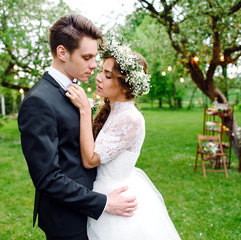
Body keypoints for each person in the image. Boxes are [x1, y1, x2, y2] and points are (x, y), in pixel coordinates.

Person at [17, 14, 138, 240]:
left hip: (88, 213)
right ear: (62, 53)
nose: (94, 66)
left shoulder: (74, 90)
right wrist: (103, 203)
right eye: (87, 57)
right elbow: (47, 178)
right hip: (67, 220)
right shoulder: (38, 102)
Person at [66, 40, 181, 239]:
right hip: (103, 193)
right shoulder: (111, 109)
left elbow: (90, 159)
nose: (99, 78)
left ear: (126, 87)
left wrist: (85, 111)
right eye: (101, 71)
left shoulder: (130, 118)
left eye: (108, 75)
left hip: (116, 200)